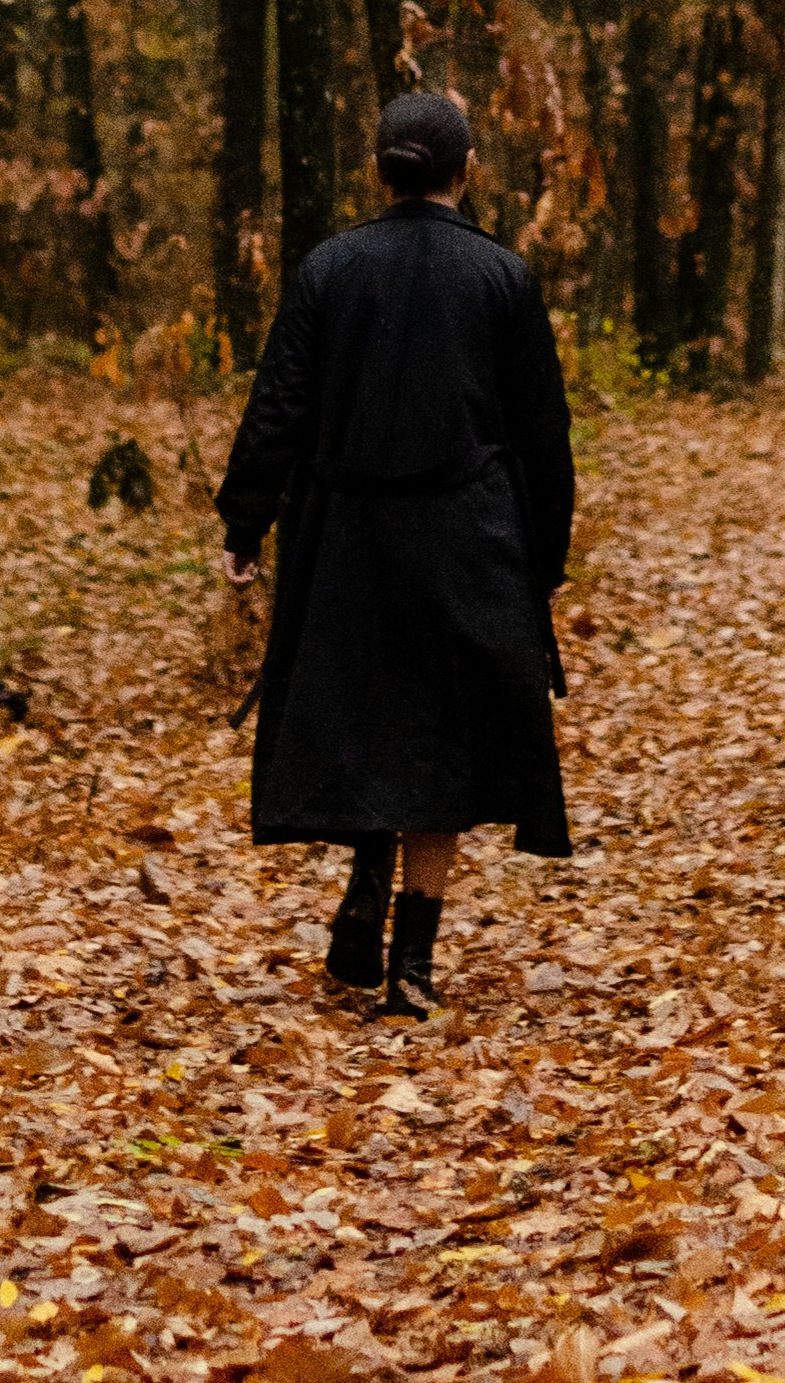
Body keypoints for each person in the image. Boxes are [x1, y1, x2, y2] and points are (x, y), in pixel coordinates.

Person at [214, 88, 576, 1017]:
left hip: (348, 538)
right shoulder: (503, 278)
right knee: (443, 741)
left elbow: (279, 406)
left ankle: (368, 868)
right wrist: (543, 559)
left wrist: (244, 522)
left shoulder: (331, 268)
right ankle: (413, 955)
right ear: (467, 170)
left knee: (365, 713)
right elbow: (543, 436)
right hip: (469, 537)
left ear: (380, 167)